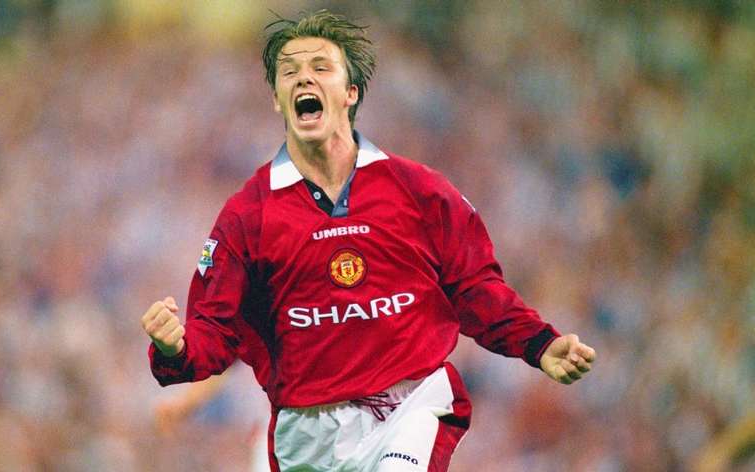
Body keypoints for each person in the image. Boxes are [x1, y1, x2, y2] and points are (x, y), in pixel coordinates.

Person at [141, 10, 596, 472]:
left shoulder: (420, 192)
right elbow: (218, 330)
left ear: (351, 92)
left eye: (321, 67)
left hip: (409, 406)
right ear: (277, 99)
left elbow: (475, 288)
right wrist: (176, 350)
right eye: (289, 72)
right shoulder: (247, 216)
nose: (304, 79)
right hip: (307, 434)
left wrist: (539, 344)